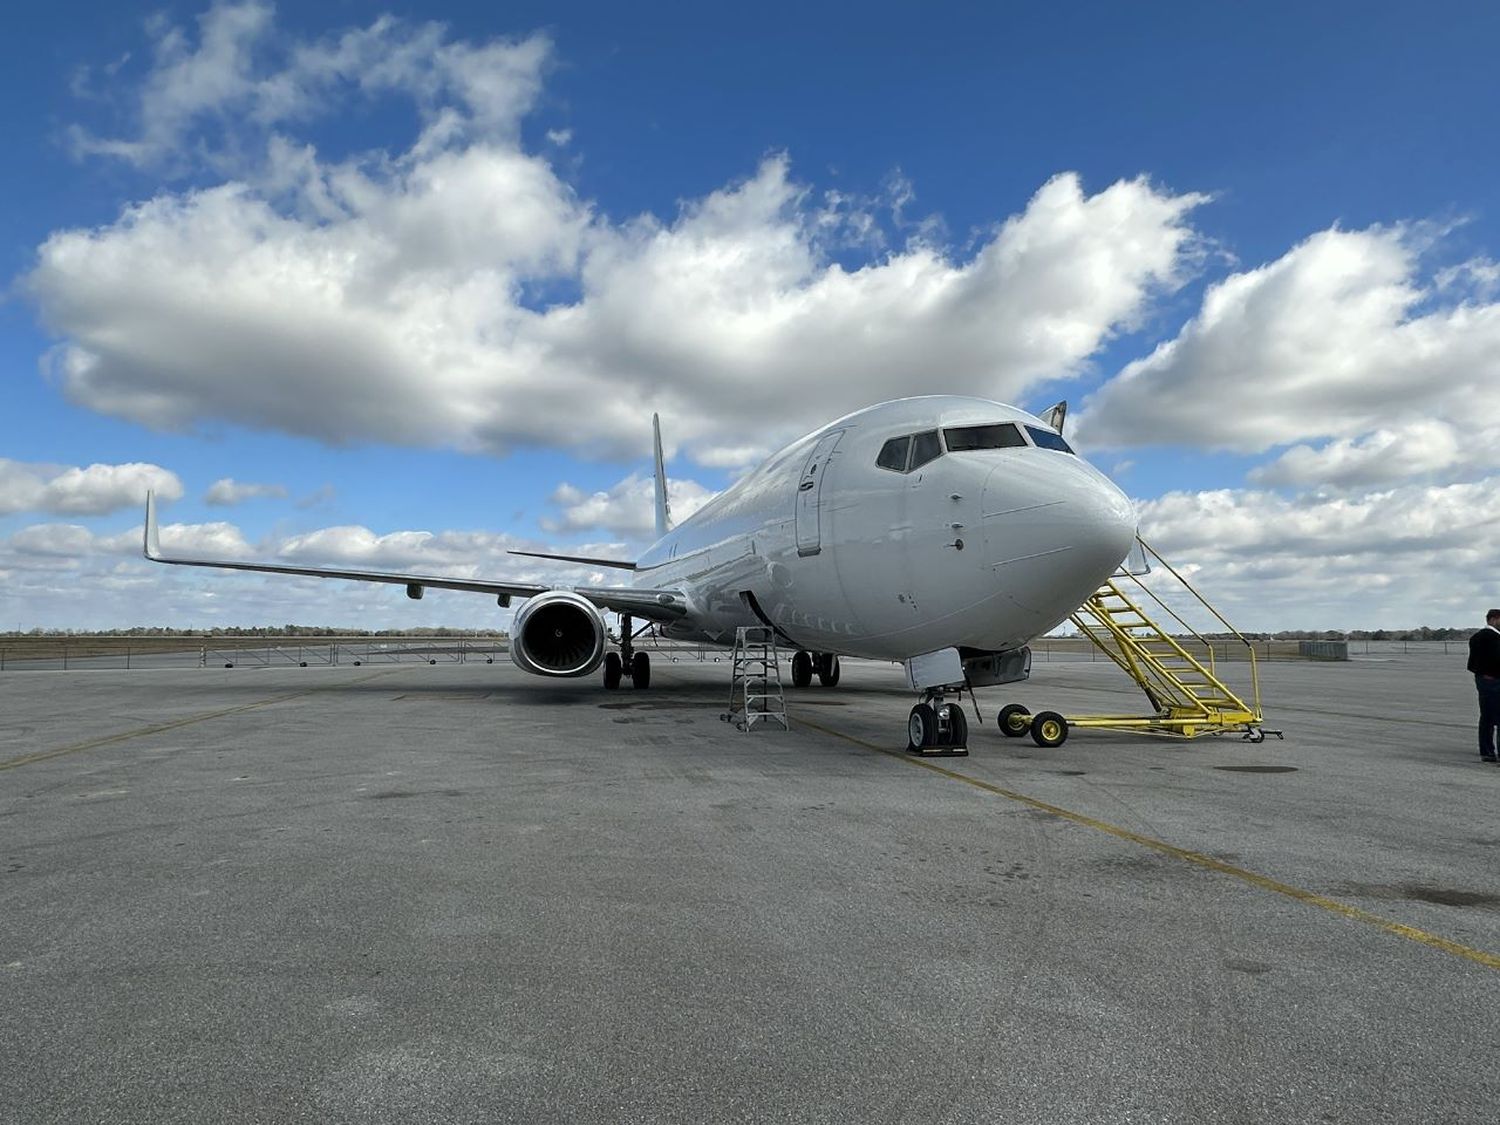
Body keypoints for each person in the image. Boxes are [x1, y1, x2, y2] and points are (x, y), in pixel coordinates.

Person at [1466, 608, 1500, 762]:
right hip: (1494, 680)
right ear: (1493, 619)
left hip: (1483, 680)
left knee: (1486, 717)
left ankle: (1487, 751)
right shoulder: (1493, 638)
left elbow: (1472, 664)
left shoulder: (1476, 637)